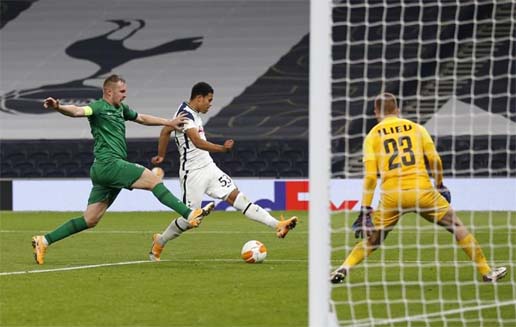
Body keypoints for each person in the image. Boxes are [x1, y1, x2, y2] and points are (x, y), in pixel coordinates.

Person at [32, 74, 214, 265]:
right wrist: (58, 107)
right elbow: (77, 111)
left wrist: (168, 122)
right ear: (109, 91)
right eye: (122, 91)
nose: (125, 95)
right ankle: (189, 213)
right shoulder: (98, 107)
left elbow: (142, 118)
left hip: (104, 170)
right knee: (153, 180)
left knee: (90, 219)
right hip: (109, 164)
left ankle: (44, 241)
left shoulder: (121, 109)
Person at [330, 92, 507, 283]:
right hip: (422, 191)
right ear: (397, 110)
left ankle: (343, 268)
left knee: (374, 240)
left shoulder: (372, 135)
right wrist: (439, 184)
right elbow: (434, 160)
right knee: (457, 226)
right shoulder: (416, 128)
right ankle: (486, 271)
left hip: (392, 196)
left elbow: (371, 177)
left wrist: (365, 209)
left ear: (376, 112)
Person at [148, 82, 298, 261]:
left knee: (238, 198)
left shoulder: (192, 113)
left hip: (209, 167)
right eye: (209, 100)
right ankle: (160, 241)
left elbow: (165, 131)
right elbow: (197, 142)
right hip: (192, 173)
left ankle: (278, 224)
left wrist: (161, 156)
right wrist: (222, 149)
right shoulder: (186, 115)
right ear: (199, 98)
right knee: (191, 220)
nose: (210, 104)